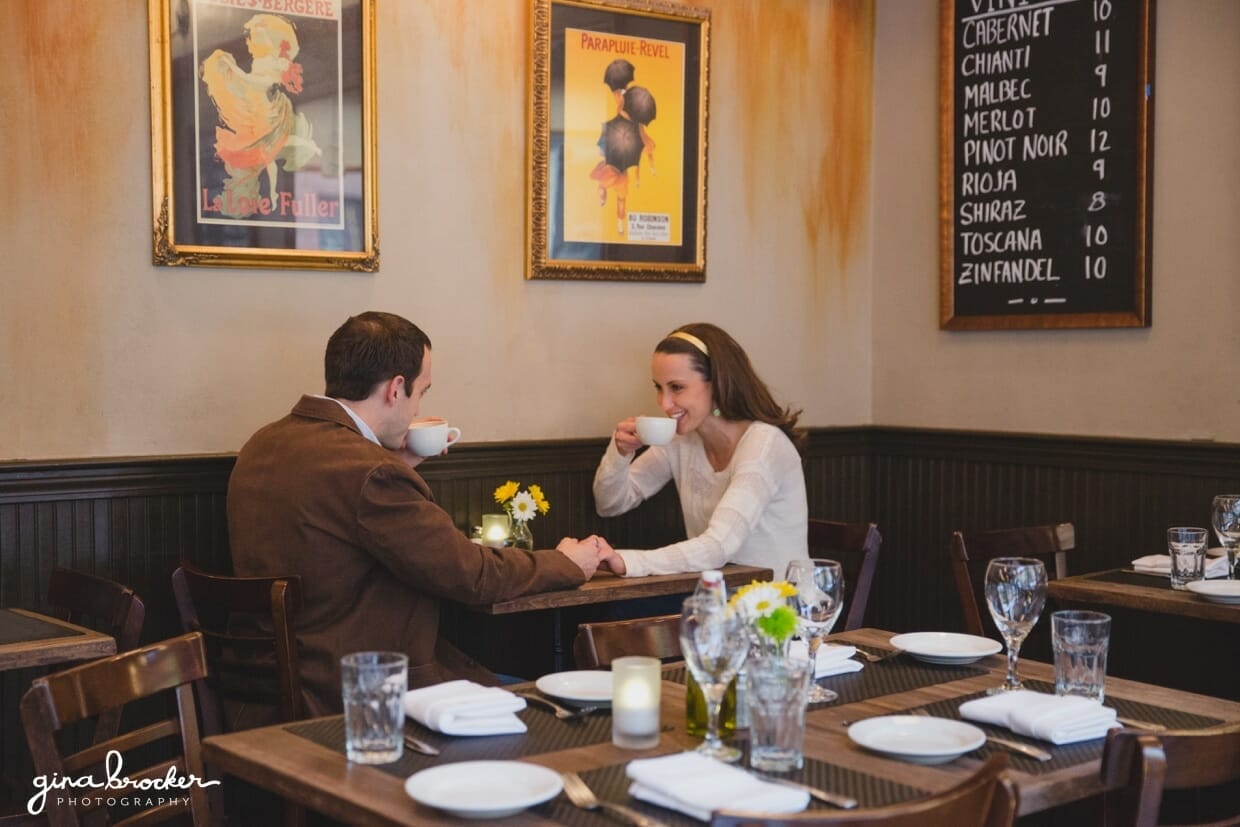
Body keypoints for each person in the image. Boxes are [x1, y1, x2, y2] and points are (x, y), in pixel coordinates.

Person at [227, 311, 607, 715]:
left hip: (258, 689)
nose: (417, 407)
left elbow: (335, 515)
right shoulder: (370, 473)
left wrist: (396, 463)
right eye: (421, 392)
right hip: (353, 694)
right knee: (559, 708)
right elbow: (472, 575)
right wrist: (565, 562)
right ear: (395, 388)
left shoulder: (263, 443)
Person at [594, 323, 808, 578]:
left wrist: (627, 562)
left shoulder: (764, 445)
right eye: (658, 388)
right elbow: (610, 504)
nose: (664, 403)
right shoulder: (682, 440)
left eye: (676, 387)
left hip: (781, 607)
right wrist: (619, 454)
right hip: (717, 601)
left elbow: (719, 546)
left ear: (716, 384)